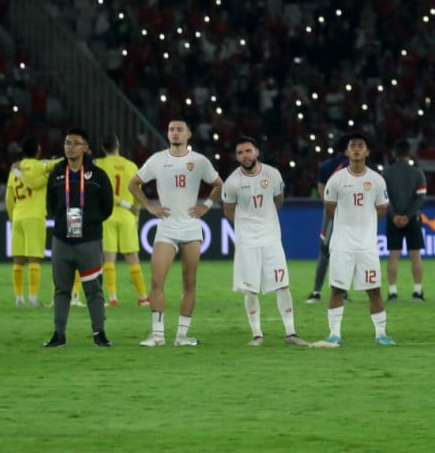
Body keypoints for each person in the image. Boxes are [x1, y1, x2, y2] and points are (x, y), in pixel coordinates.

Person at [130, 119, 223, 347]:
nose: (175, 133)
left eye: (180, 129)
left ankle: (182, 336)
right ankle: (158, 335)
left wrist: (206, 206)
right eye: (171, 129)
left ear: (189, 134)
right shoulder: (158, 160)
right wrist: (149, 206)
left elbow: (219, 184)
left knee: (189, 283)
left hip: (191, 228)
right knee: (156, 280)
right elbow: (133, 184)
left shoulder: (199, 161)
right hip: (167, 228)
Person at [221, 136, 308, 346]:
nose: (245, 156)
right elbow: (229, 211)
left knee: (283, 285)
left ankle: (291, 333)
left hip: (271, 239)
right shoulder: (232, 181)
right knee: (250, 289)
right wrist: (248, 224)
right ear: (237, 156)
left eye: (248, 151)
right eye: (240, 152)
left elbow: (279, 199)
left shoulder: (272, 174)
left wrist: (264, 219)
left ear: (257, 152)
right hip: (247, 242)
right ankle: (257, 334)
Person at [313, 133, 393, 347]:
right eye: (352, 146)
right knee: (337, 289)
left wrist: (364, 221)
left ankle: (381, 334)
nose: (356, 149)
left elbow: (382, 208)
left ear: (367, 152)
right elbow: (329, 206)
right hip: (342, 245)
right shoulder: (337, 179)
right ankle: (334, 334)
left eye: (360, 146)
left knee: (374, 289)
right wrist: (347, 221)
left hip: (366, 246)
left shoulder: (376, 179)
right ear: (347, 152)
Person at [42, 128, 113, 348]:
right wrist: (64, 222)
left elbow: (107, 207)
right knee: (61, 290)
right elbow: (50, 206)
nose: (69, 146)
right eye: (67, 142)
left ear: (86, 148)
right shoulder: (56, 174)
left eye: (75, 143)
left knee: (93, 290)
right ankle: (59, 334)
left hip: (89, 241)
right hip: (62, 240)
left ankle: (99, 333)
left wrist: (90, 222)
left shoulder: (98, 175)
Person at [93, 134, 149, 307]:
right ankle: (143, 297)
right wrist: (136, 214)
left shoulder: (99, 164)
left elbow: (103, 191)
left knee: (109, 257)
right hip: (127, 217)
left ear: (103, 148)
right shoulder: (131, 166)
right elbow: (137, 192)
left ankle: (112, 298)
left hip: (107, 215)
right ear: (118, 145)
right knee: (132, 256)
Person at [5, 137, 56, 307]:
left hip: (18, 216)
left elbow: (8, 198)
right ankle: (33, 298)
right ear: (38, 151)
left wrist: (12, 217)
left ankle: (19, 298)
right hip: (35, 216)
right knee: (34, 260)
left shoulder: (15, 169)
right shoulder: (39, 166)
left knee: (17, 260)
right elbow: (57, 164)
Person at [382, 139, 427, 302]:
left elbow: (383, 198)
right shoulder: (417, 173)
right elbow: (420, 198)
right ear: (409, 153)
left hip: (393, 220)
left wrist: (394, 215)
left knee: (393, 256)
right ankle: (417, 291)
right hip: (412, 219)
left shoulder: (386, 173)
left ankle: (392, 292)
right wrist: (408, 216)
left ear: (394, 154)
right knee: (415, 256)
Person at [306, 136, 349, 303]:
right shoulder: (352, 166)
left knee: (324, 250)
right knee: (343, 252)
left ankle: (316, 291)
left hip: (329, 212)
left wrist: (330, 206)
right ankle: (342, 291)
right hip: (347, 212)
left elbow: (321, 189)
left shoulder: (325, 166)